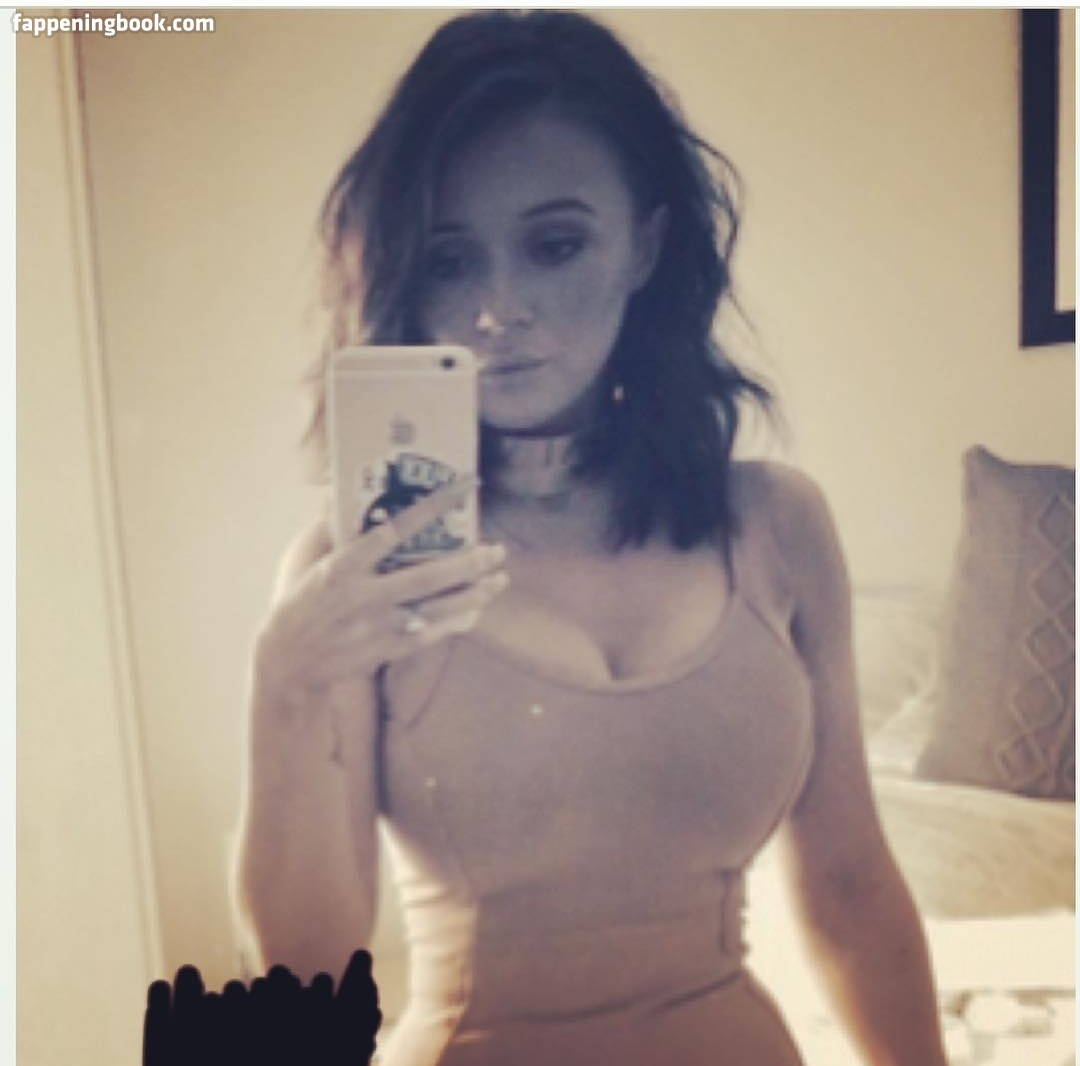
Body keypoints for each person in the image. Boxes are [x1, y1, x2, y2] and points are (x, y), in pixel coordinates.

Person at [234, 11, 950, 1066]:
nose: (498, 311)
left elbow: (848, 886)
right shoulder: (358, 581)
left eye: (556, 245)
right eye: (449, 259)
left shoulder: (776, 525)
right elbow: (307, 970)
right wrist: (284, 690)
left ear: (644, 246)